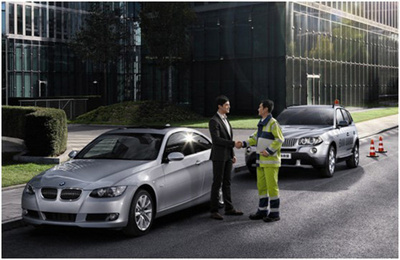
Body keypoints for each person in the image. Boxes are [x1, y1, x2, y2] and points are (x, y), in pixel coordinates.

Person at [238, 99, 284, 222]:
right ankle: (262, 210)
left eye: (260, 107)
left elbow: (279, 139)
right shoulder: (262, 123)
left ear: (265, 109)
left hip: (270, 161)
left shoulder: (273, 123)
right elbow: (255, 137)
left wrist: (268, 151)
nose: (258, 109)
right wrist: (243, 143)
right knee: (262, 187)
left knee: (272, 187)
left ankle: (274, 214)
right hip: (261, 161)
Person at [208, 95, 244, 220]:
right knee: (217, 183)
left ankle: (229, 208)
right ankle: (214, 210)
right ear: (220, 106)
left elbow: (228, 138)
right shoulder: (214, 121)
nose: (229, 107)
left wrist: (232, 154)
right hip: (218, 156)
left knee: (227, 183)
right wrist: (233, 144)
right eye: (226, 105)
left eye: (229, 104)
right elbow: (216, 140)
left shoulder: (226, 120)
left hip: (228, 156)